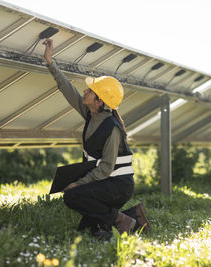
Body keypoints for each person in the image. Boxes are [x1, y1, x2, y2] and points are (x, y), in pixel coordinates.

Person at [43, 39, 150, 239]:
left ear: (100, 101)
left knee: (73, 196)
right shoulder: (91, 114)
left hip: (118, 185)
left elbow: (106, 168)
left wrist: (79, 183)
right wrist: (50, 63)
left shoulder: (112, 128)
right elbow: (68, 90)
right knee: (90, 229)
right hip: (106, 181)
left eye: (90, 91)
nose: (85, 91)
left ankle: (120, 220)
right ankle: (132, 216)